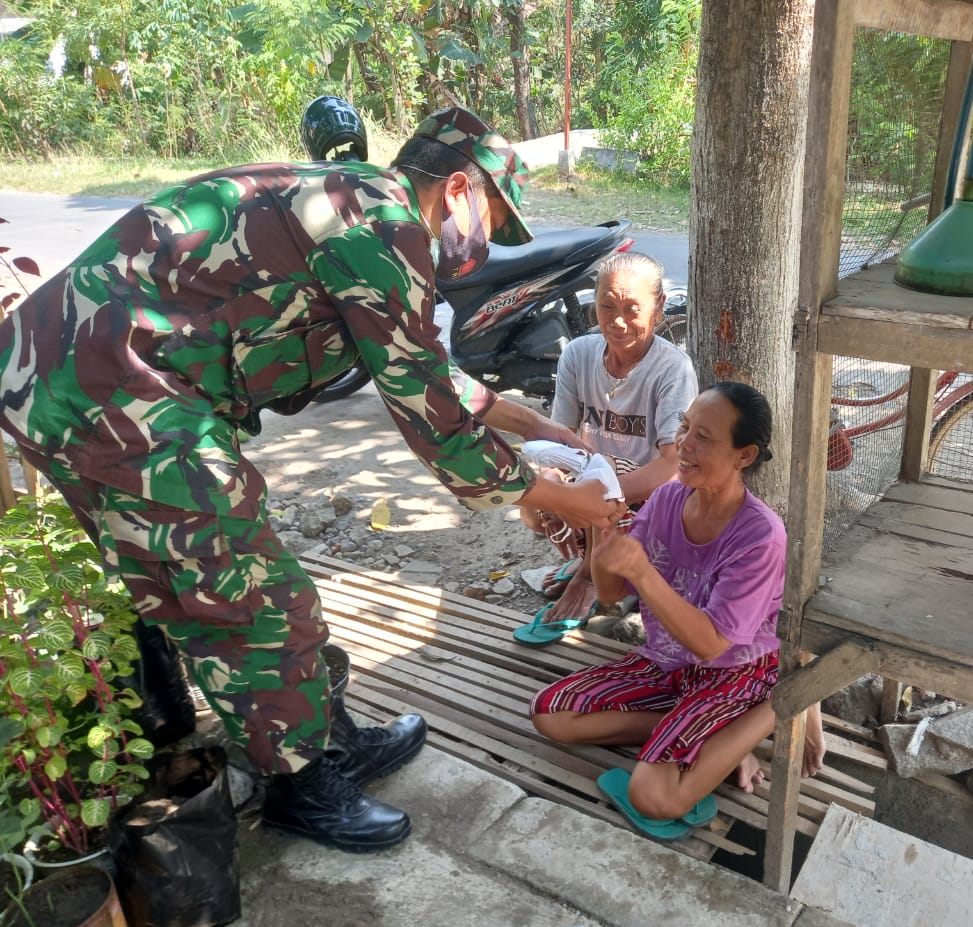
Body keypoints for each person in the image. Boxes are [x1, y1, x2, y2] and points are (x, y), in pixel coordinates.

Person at [0, 105, 623, 852]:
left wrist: (549, 434)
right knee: (254, 596)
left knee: (220, 582)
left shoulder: (355, 201)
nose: (487, 242)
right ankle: (299, 785)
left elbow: (435, 378)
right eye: (494, 217)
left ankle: (325, 741)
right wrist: (564, 498)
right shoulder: (384, 228)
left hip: (86, 383)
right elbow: (436, 422)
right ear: (458, 190)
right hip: (112, 396)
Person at [529, 383, 826, 831]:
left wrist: (644, 573)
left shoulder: (761, 536)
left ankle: (784, 704)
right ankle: (715, 739)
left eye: (703, 437)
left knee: (653, 796)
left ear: (743, 456)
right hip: (669, 660)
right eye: (685, 427)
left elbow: (711, 645)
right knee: (550, 713)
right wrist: (601, 538)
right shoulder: (668, 498)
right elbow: (609, 593)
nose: (683, 444)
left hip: (736, 670)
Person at [519, 251, 697, 631]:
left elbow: (672, 465)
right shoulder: (578, 354)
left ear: (659, 308)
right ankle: (595, 562)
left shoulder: (672, 369)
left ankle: (594, 578)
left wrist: (602, 496)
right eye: (606, 306)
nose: (617, 322)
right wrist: (550, 481)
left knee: (604, 477)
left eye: (633, 309)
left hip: (652, 495)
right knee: (533, 504)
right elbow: (560, 438)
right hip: (600, 482)